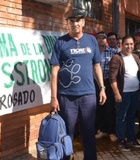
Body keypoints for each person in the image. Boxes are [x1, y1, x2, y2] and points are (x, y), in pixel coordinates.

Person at [50, 8, 106, 160]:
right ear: (67, 23)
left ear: (83, 22)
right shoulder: (60, 42)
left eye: (78, 20)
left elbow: (97, 66)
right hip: (66, 97)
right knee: (67, 134)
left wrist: (102, 88)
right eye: (72, 21)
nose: (75, 23)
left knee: (89, 132)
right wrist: (54, 98)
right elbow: (55, 71)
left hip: (88, 95)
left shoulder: (91, 40)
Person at [109, 35, 140, 151]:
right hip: (123, 94)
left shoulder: (135, 57)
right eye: (126, 44)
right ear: (121, 45)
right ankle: (121, 139)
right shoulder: (117, 58)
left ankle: (131, 138)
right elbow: (112, 78)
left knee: (131, 117)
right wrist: (117, 93)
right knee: (121, 117)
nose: (129, 46)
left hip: (134, 92)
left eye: (131, 44)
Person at [94, 31, 117, 142]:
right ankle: (102, 130)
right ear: (96, 39)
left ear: (106, 40)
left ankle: (111, 131)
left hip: (108, 82)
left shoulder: (113, 52)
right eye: (99, 38)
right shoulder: (93, 52)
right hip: (96, 83)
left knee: (110, 107)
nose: (101, 40)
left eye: (103, 38)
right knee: (99, 107)